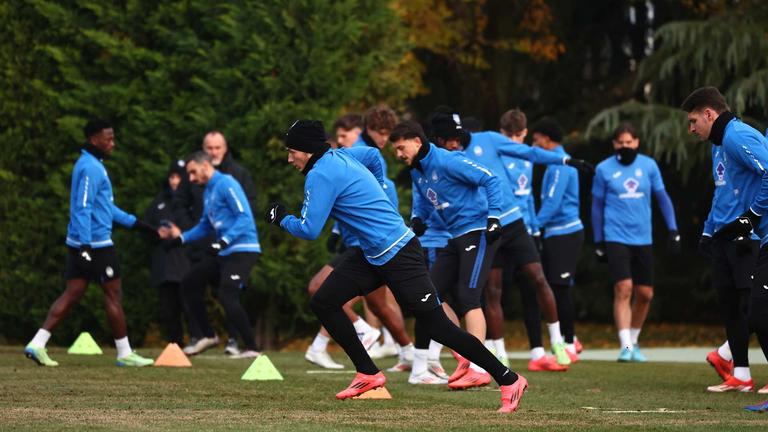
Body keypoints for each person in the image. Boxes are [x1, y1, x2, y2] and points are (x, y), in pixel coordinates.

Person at [266, 120, 528, 413]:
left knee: (438, 327)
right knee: (324, 301)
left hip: (399, 253)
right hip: (372, 253)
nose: (290, 158)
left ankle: (509, 379)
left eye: (292, 151)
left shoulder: (320, 174)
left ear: (308, 149)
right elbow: (374, 157)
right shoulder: (343, 155)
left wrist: (281, 219)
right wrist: (379, 190)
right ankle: (368, 373)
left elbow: (310, 229)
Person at [428, 111, 594, 373]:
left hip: (512, 221)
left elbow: (529, 153)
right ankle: (500, 353)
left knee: (538, 277)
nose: (455, 142)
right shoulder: (447, 158)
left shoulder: (490, 140)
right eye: (450, 138)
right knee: (492, 291)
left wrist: (565, 159)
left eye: (458, 137)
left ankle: (558, 343)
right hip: (485, 228)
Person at [24, 118, 155, 367]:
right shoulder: (91, 168)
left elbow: (104, 207)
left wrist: (138, 225)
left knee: (73, 292)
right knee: (113, 295)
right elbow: (82, 208)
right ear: (94, 139)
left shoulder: (92, 164)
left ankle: (37, 343)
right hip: (96, 245)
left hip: (82, 243)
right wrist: (86, 246)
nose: (113, 143)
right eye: (109, 138)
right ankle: (125, 353)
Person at [304, 109, 415, 370]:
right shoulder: (356, 150)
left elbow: (374, 194)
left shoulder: (360, 152)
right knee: (379, 304)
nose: (385, 139)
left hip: (368, 242)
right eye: (382, 133)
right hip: (361, 240)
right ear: (366, 129)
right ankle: (409, 352)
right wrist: (335, 231)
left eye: (389, 134)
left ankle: (366, 336)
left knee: (322, 291)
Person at [681, 86, 768, 397]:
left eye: (693, 121)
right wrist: (708, 229)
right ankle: (740, 374)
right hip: (726, 234)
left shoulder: (736, 136)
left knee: (755, 308)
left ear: (709, 114)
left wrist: (754, 215)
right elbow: (723, 191)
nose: (691, 129)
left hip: (750, 237)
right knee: (733, 306)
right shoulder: (718, 142)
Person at [591, 122, 680, 362]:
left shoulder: (649, 166)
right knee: (624, 288)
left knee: (645, 294)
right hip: (615, 236)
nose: (625, 146)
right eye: (620, 142)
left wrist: (673, 230)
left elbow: (663, 198)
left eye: (629, 142)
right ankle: (625, 347)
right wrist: (598, 240)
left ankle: (634, 341)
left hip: (643, 238)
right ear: (614, 145)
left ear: (637, 142)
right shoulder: (603, 169)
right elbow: (597, 207)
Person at [160, 151, 262, 359]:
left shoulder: (227, 183)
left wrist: (224, 241)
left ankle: (252, 348)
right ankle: (208, 335)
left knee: (227, 295)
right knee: (189, 282)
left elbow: (245, 217)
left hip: (243, 249)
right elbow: (205, 225)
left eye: (192, 172)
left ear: (205, 166)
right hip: (224, 251)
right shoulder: (208, 190)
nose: (190, 178)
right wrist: (181, 239)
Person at [530, 118, 585, 364]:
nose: (534, 145)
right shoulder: (555, 163)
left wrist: (533, 226)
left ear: (547, 140)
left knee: (560, 289)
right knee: (556, 287)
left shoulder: (559, 166)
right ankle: (569, 340)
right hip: (557, 233)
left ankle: (570, 342)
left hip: (565, 233)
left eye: (536, 140)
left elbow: (552, 203)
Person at [143, 160, 192, 346]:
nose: (174, 181)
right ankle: (175, 345)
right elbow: (146, 229)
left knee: (189, 307)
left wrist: (181, 233)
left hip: (186, 265)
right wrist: (158, 233)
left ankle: (196, 340)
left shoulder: (191, 202)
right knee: (168, 310)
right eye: (172, 177)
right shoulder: (157, 204)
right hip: (164, 267)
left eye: (179, 177)